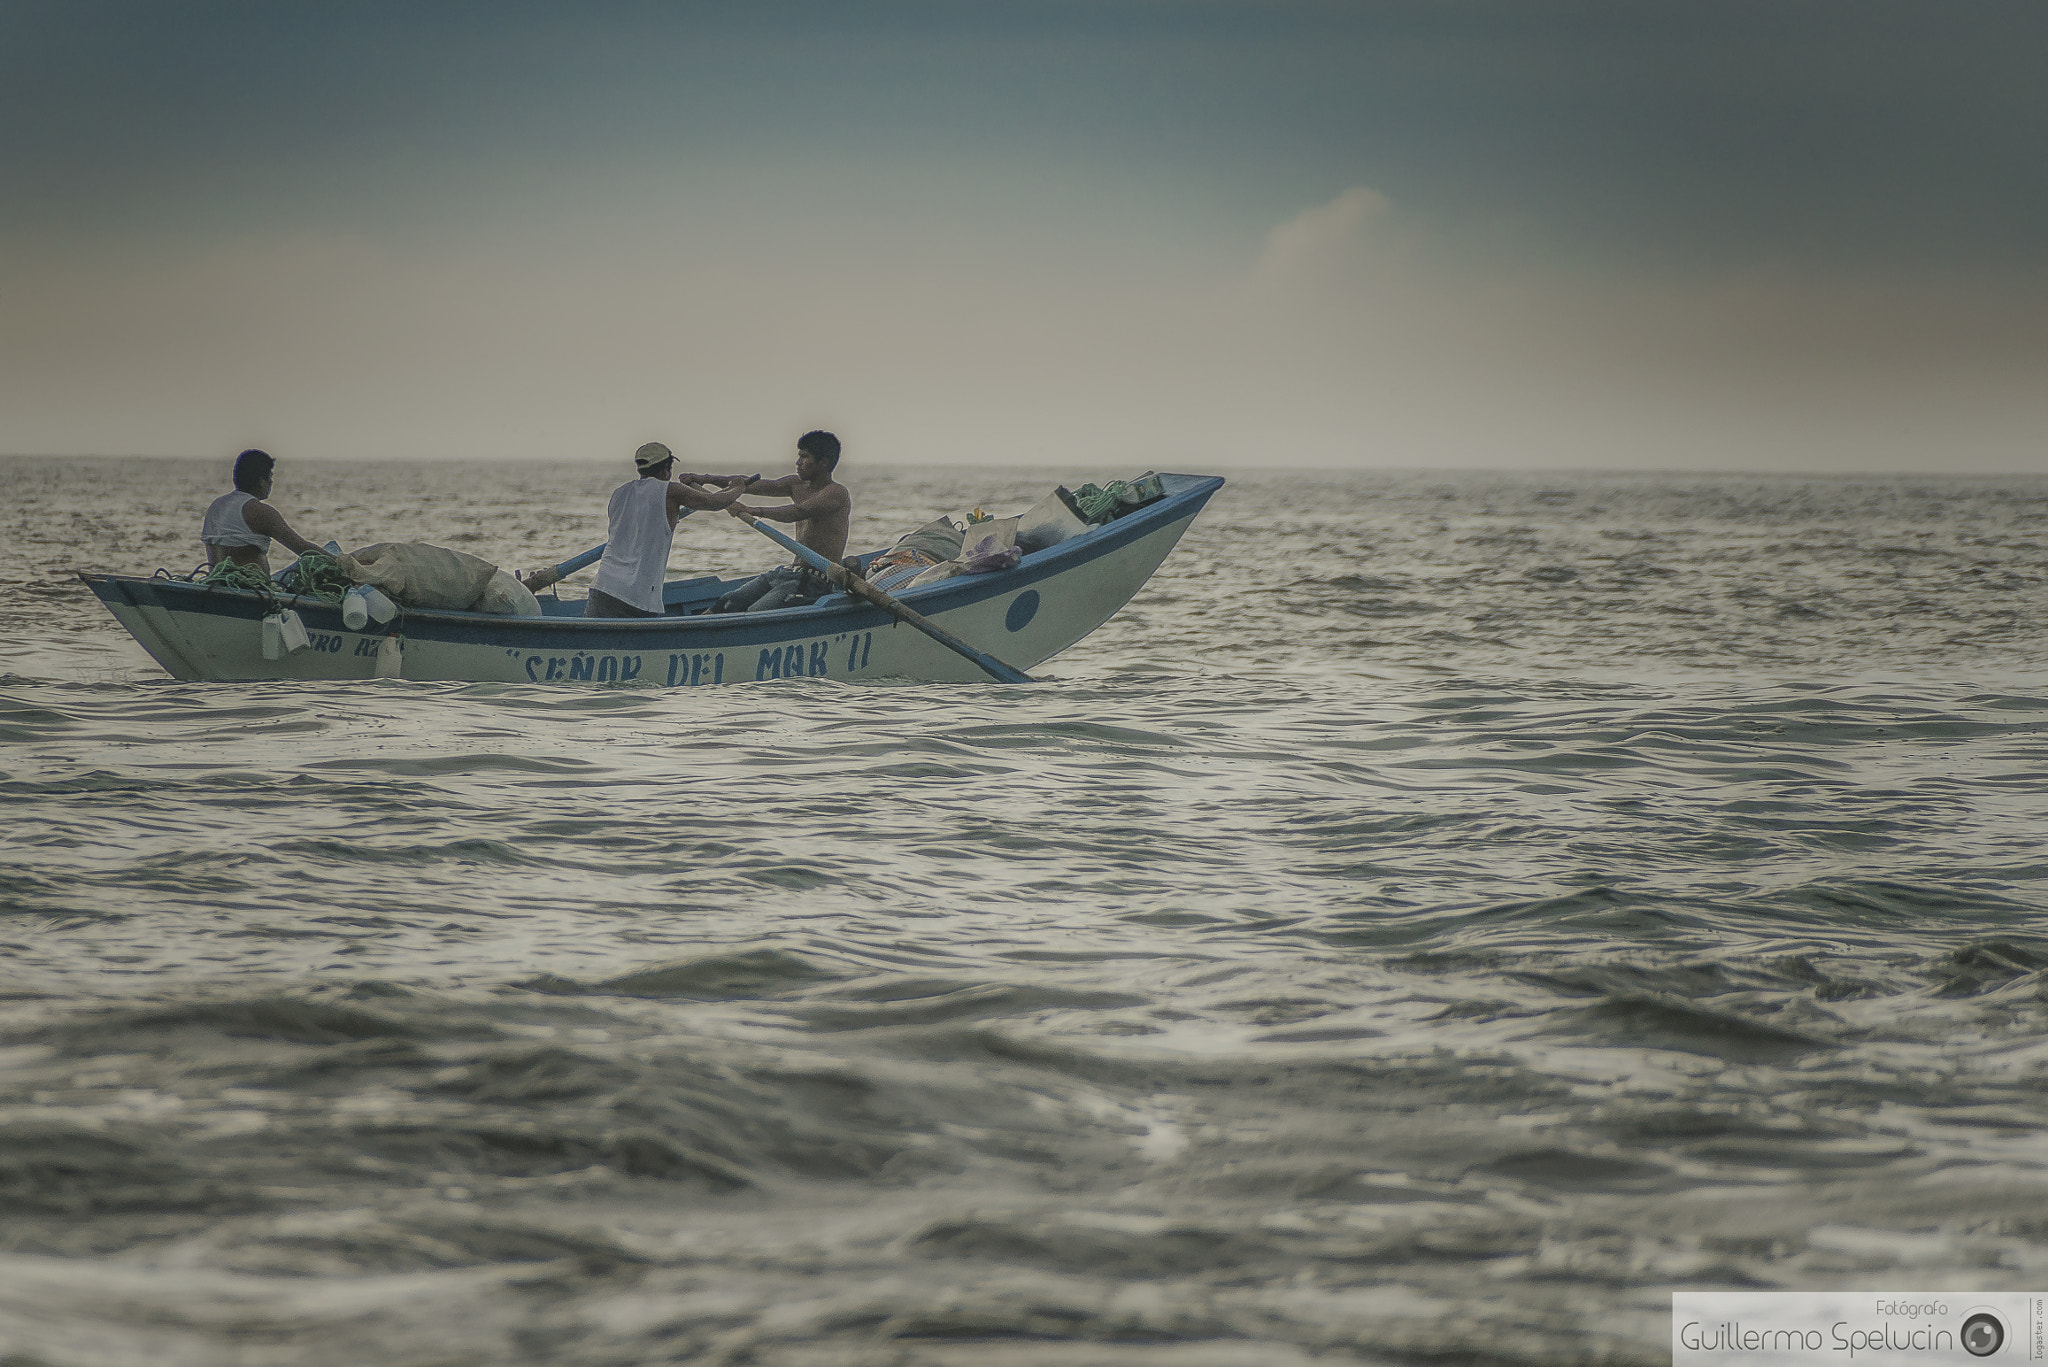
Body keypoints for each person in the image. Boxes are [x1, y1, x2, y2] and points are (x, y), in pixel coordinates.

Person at [584, 442, 751, 618]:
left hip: (602, 587)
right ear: (666, 468)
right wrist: (738, 487)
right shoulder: (670, 491)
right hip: (635, 596)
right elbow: (715, 502)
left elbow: (645, 522)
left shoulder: (619, 493)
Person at [704, 430, 852, 613]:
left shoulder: (836, 492)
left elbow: (798, 512)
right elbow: (746, 485)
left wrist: (751, 511)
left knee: (756, 612)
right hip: (789, 572)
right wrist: (705, 479)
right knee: (726, 602)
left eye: (805, 457)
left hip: (816, 580)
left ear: (823, 463)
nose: (798, 463)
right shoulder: (796, 484)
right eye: (799, 456)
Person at [201, 448, 330, 568]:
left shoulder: (216, 505)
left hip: (215, 582)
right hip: (253, 588)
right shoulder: (261, 512)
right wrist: (341, 563)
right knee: (333, 553)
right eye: (270, 477)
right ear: (262, 481)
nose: (271, 482)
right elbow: (303, 548)